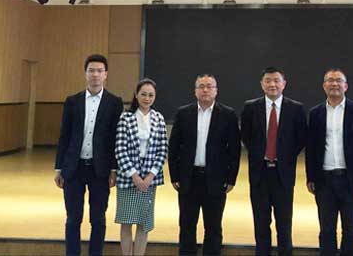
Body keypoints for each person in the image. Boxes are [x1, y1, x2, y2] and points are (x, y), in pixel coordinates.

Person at [54, 54, 123, 256]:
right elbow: (64, 136)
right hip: (73, 168)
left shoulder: (114, 103)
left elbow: (115, 138)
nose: (95, 75)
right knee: (73, 219)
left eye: (99, 71)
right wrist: (59, 167)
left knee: (98, 219)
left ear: (106, 74)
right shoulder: (72, 101)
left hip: (100, 169)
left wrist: (114, 169)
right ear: (85, 73)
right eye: (91, 70)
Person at [168, 74, 241, 255]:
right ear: (195, 91)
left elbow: (234, 150)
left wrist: (231, 178)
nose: (205, 90)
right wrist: (175, 175)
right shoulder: (184, 113)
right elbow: (174, 147)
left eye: (209, 86)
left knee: (213, 227)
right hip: (188, 179)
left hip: (216, 180)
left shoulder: (228, 115)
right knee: (186, 226)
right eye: (201, 86)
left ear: (216, 91)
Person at [240, 67, 307, 256]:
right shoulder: (250, 108)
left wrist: (285, 157)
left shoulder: (296, 108)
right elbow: (246, 136)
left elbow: (301, 138)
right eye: (268, 80)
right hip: (259, 173)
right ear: (262, 84)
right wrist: (259, 154)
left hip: (283, 174)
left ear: (284, 84)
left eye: (277, 80)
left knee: (284, 224)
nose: (272, 84)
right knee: (261, 224)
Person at [305, 68, 353, 256]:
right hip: (324, 180)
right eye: (330, 80)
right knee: (326, 229)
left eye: (338, 80)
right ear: (324, 86)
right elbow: (311, 148)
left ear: (346, 86)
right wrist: (311, 177)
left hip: (351, 180)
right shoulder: (315, 113)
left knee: (351, 230)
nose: (334, 84)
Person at [115, 78, 168, 256]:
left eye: (151, 95)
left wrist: (149, 177)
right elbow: (120, 149)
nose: (147, 98)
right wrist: (135, 177)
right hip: (128, 178)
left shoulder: (159, 118)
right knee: (126, 223)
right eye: (143, 94)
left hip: (149, 180)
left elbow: (162, 150)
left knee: (143, 224)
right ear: (136, 95)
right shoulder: (125, 118)